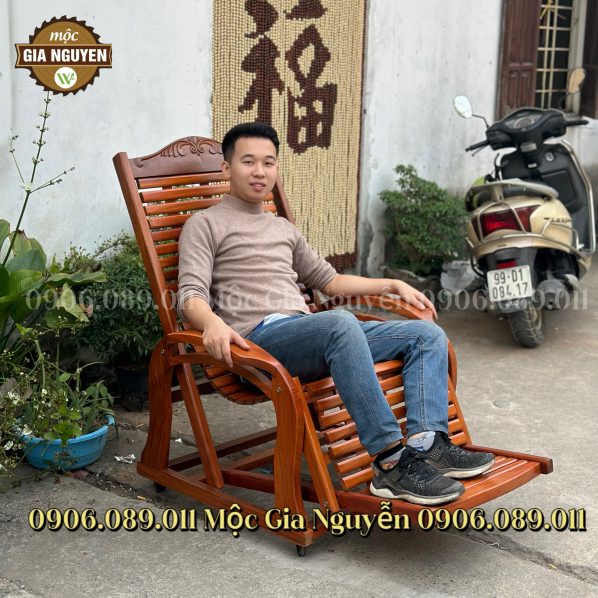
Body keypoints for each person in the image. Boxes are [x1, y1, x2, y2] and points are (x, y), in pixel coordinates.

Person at [178, 122, 494, 506]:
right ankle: (391, 462)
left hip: (308, 333)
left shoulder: (282, 229)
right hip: (258, 343)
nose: (259, 171)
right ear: (227, 168)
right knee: (341, 323)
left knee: (425, 335)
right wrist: (211, 322)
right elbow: (190, 295)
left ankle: (428, 443)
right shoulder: (205, 225)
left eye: (268, 162)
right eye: (248, 162)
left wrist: (391, 285)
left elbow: (328, 280)